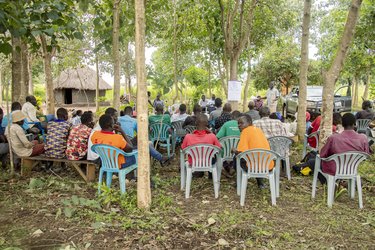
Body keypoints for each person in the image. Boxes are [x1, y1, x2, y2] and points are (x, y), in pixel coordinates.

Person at [307, 113, 370, 184]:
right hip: (352, 169)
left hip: (334, 169)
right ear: (355, 124)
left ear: (342, 124)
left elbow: (322, 155)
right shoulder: (363, 138)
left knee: (312, 162)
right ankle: (339, 183)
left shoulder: (334, 138)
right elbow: (366, 155)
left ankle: (331, 183)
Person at [232, 114, 273, 189]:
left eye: (241, 123)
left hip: (254, 166)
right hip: (268, 165)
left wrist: (234, 150)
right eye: (238, 123)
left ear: (250, 122)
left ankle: (239, 181)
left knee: (236, 157)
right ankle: (260, 183)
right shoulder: (258, 130)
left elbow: (241, 152)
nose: (239, 125)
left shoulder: (245, 131)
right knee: (255, 157)